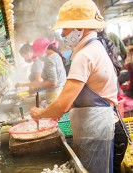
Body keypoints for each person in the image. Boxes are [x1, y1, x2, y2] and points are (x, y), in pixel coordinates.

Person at [30, 0, 128, 172]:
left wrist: (41, 114)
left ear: (80, 28)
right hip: (103, 128)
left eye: (65, 29)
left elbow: (63, 105)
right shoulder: (94, 47)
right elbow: (80, 97)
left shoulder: (85, 55)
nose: (62, 34)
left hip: (99, 132)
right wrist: (51, 108)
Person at [28, 38, 67, 104]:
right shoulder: (56, 55)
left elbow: (52, 82)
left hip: (54, 95)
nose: (38, 56)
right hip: (59, 92)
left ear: (43, 50)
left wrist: (35, 89)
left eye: (38, 53)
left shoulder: (50, 59)